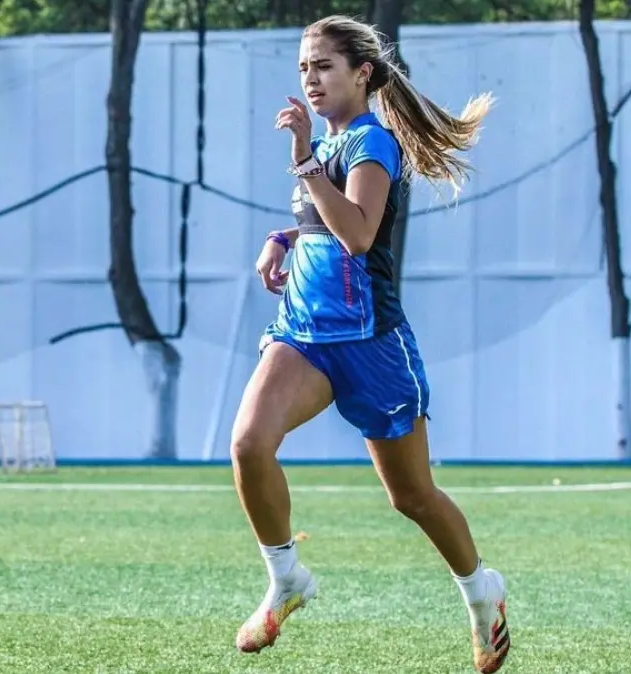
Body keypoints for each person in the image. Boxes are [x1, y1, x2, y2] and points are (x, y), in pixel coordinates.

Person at [230, 14, 509, 674]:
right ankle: (286, 578)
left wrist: (301, 160)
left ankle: (480, 593)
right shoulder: (325, 147)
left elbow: (358, 234)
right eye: (303, 68)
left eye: (323, 67)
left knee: (411, 498)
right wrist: (284, 238)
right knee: (248, 444)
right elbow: (325, 227)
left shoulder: (370, 142)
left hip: (372, 345)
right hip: (304, 337)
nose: (310, 79)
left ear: (361, 72)